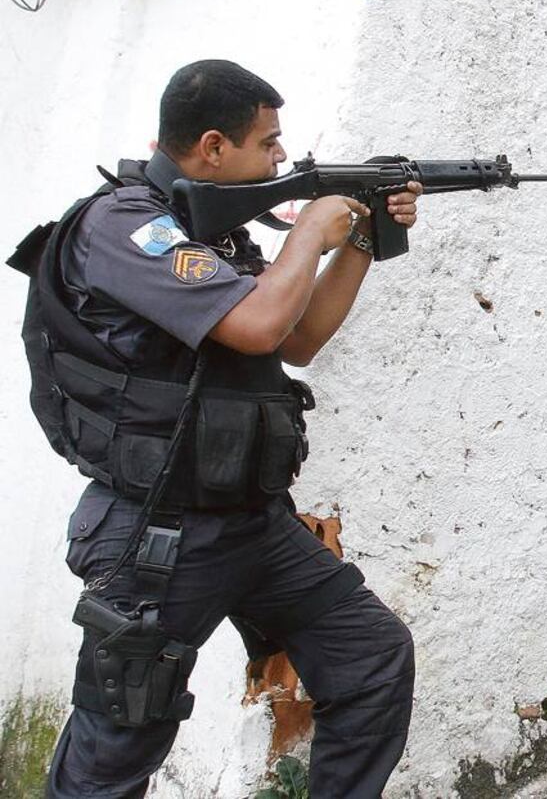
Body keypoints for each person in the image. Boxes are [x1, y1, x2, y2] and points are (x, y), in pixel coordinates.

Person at [10, 59, 419, 797]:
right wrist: (311, 230)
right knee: (120, 742)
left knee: (370, 656)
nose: (280, 159)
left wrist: (363, 237)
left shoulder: (214, 234)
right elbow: (261, 323)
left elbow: (298, 340)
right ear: (211, 147)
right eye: (268, 144)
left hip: (248, 524)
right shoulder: (125, 226)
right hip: (155, 535)